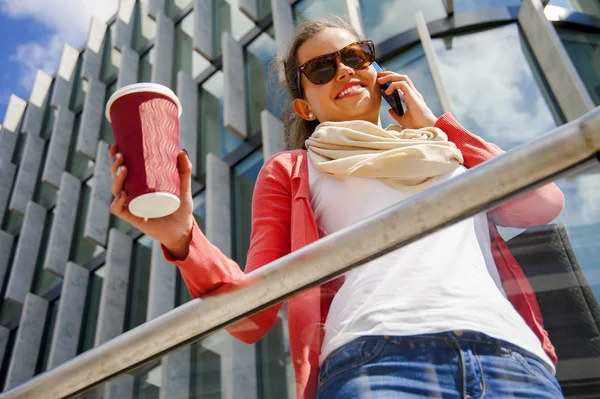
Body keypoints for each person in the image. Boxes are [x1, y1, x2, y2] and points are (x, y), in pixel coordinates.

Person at [109, 17, 566, 399]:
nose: (344, 71)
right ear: (305, 107)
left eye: (355, 56)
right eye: (323, 68)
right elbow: (251, 316)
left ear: (377, 70)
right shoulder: (292, 170)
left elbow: (541, 204)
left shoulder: (444, 148)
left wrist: (434, 124)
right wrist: (182, 237)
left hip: (511, 356)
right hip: (378, 362)